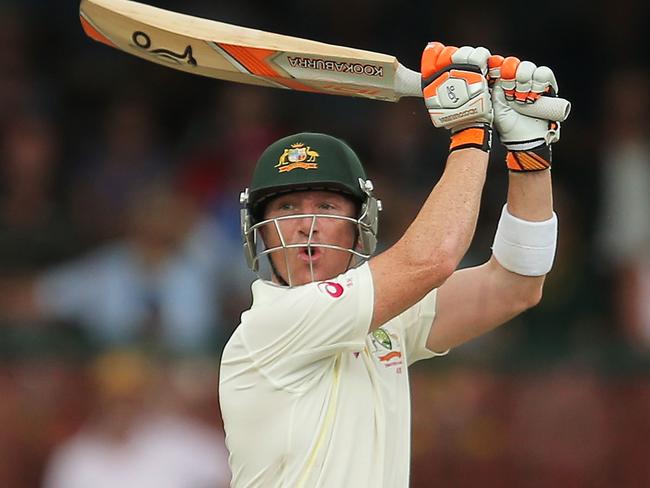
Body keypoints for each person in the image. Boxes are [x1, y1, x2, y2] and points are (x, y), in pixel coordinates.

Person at [219, 42, 565, 487]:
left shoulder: (389, 322)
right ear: (259, 230)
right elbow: (432, 258)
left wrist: (529, 154)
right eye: (286, 208)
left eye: (327, 206)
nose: (307, 226)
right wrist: (470, 127)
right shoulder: (270, 326)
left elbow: (515, 285)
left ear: (360, 226)